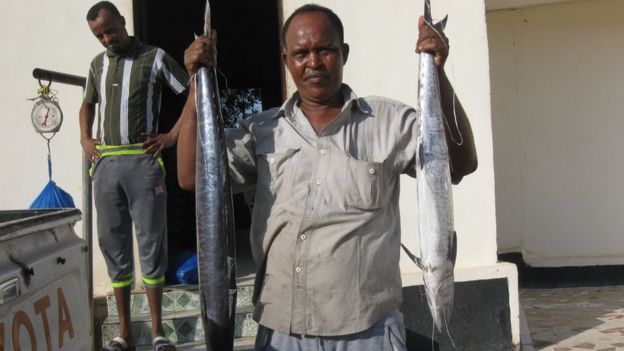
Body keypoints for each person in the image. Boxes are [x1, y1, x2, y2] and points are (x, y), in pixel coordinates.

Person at [177, 4, 477, 350]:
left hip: (370, 331)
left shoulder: (390, 122)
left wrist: (437, 72)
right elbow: (190, 176)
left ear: (344, 53)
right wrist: (197, 83)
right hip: (283, 332)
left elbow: (459, 164)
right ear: (286, 60)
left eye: (325, 50)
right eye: (302, 53)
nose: (314, 62)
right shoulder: (261, 132)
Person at [79, 2, 188, 350]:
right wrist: (85, 138)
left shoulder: (154, 57)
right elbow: (87, 103)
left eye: (110, 30)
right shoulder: (97, 65)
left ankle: (158, 331)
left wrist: (171, 136)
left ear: (123, 22)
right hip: (106, 164)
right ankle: (124, 331)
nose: (107, 39)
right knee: (114, 246)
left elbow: (192, 92)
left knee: (151, 243)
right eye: (99, 35)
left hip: (143, 163)